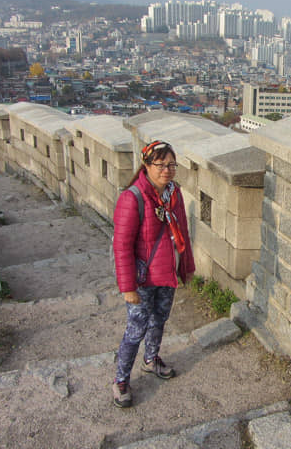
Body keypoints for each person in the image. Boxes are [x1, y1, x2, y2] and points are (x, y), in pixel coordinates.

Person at [111, 140, 195, 408]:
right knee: (135, 330)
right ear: (146, 165)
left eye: (172, 164)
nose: (167, 170)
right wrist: (127, 288)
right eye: (160, 165)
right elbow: (121, 246)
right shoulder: (132, 197)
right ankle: (121, 380)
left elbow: (182, 232)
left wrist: (186, 267)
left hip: (166, 274)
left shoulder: (174, 194)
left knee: (159, 321)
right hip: (142, 279)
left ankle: (151, 360)